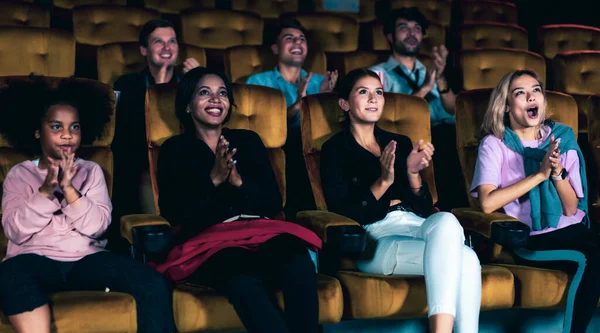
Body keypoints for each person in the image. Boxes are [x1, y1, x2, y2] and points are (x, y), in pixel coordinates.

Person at [153, 67, 322, 333]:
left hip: (260, 233)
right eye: (204, 93)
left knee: (298, 262)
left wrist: (239, 182)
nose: (215, 99)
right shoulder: (175, 150)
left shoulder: (248, 141)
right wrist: (215, 180)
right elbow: (176, 213)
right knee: (241, 276)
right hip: (211, 243)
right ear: (187, 105)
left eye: (222, 94)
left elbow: (272, 203)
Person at [0, 77, 175, 333]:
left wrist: (70, 190)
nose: (67, 135)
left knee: (152, 282)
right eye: (56, 126)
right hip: (32, 259)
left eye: (75, 127)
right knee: (8, 276)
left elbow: (97, 228)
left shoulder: (92, 171)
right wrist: (46, 190)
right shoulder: (20, 173)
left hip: (86, 259)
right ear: (38, 131)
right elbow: (15, 231)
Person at [320, 68, 481, 333]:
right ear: (344, 103)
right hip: (376, 238)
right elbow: (347, 213)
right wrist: (384, 180)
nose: (373, 99)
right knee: (468, 259)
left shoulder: (400, 142)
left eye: (379, 92)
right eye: (363, 92)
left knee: (447, 220)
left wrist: (413, 174)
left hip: (416, 226)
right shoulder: (335, 150)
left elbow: (424, 209)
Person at [471, 69, 599, 333]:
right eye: (520, 93)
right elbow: (486, 203)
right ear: (506, 106)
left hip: (572, 228)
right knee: (594, 257)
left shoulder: (562, 139)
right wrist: (539, 174)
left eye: (536, 90)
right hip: (530, 235)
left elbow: (571, 208)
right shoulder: (494, 144)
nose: (531, 96)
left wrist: (557, 173)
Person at [370, 7, 467, 211]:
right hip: (406, 139)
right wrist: (424, 88)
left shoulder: (428, 70)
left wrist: (439, 78)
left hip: (444, 134)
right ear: (390, 36)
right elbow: (387, 116)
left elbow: (453, 110)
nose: (412, 33)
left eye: (417, 28)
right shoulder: (377, 74)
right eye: (404, 28)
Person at [246, 18, 338, 219]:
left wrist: (324, 100)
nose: (297, 43)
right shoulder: (257, 82)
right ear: (275, 48)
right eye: (290, 38)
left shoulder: (320, 81)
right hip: (277, 150)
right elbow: (258, 129)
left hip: (313, 151)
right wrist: (298, 104)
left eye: (302, 39)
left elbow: (329, 129)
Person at [111, 19, 201, 222]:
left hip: (186, 158)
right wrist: (158, 91)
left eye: (172, 41)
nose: (167, 47)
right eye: (159, 42)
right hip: (143, 161)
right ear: (144, 50)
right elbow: (127, 133)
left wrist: (200, 80)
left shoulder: (191, 82)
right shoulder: (128, 84)